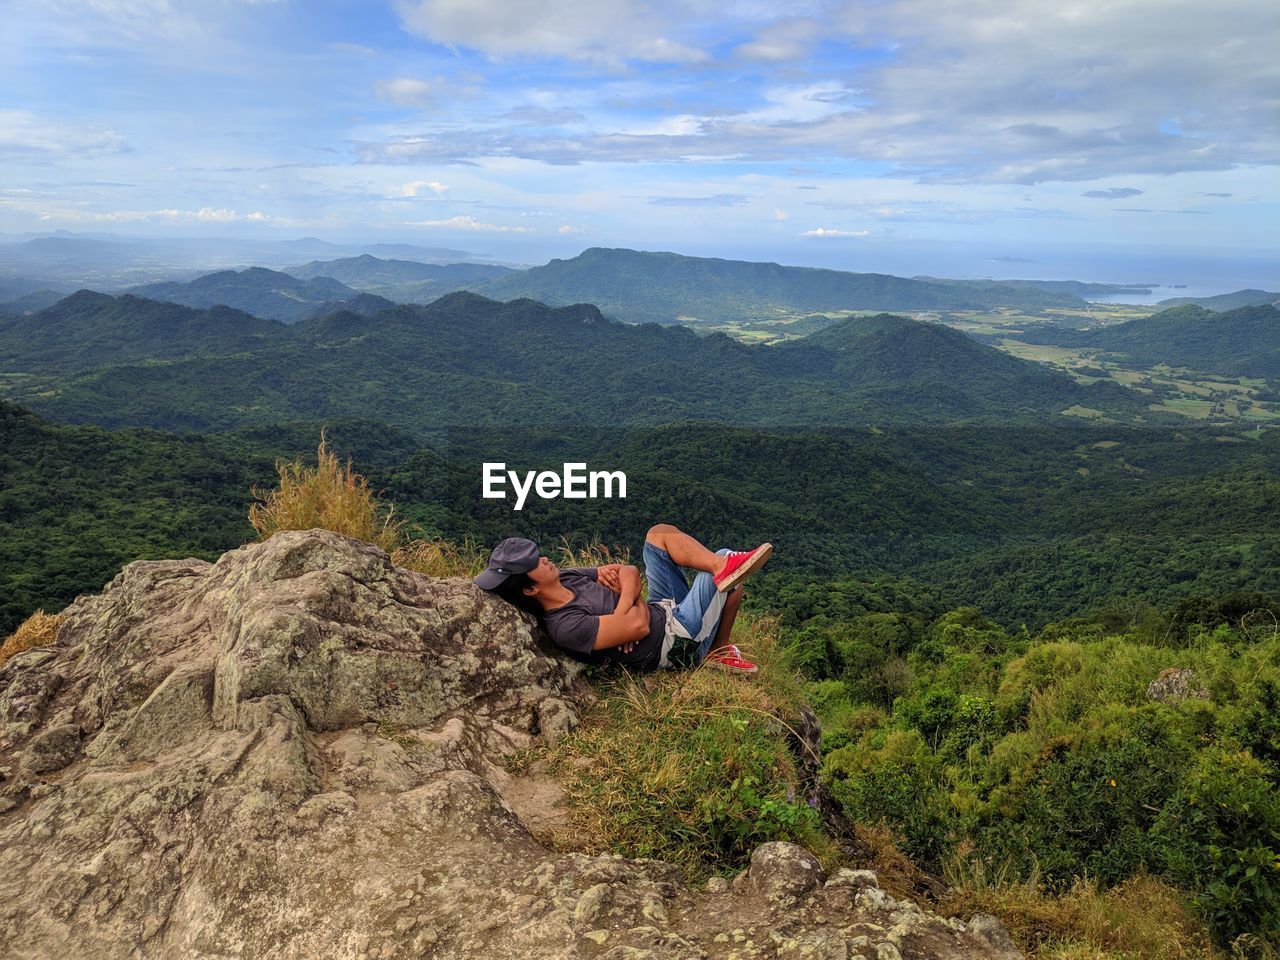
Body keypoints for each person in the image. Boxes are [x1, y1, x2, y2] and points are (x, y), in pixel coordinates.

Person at [474, 523, 772, 674]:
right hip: (676, 641)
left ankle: (724, 578)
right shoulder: (565, 625)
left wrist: (623, 606)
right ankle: (712, 646)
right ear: (529, 589)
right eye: (536, 562)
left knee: (658, 535)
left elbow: (628, 571)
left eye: (539, 554)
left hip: (660, 610)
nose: (546, 558)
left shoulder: (566, 576)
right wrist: (631, 603)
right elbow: (640, 628)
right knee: (724, 565)